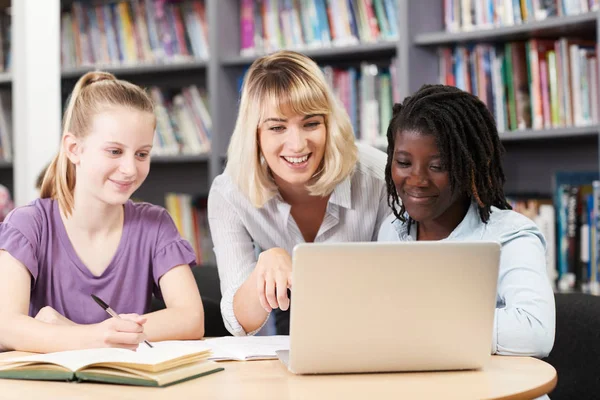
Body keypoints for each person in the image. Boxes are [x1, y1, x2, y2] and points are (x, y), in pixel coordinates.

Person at [0, 71, 204, 353]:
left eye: (142, 154)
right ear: (74, 149)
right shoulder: (28, 225)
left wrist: (76, 334)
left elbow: (191, 318)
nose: (130, 169)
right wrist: (97, 338)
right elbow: (6, 326)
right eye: (114, 151)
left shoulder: (154, 224)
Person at [208, 50, 390, 336]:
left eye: (311, 123)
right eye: (277, 127)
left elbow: (402, 289)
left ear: (329, 123)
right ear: (254, 133)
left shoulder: (378, 177)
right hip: (295, 320)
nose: (297, 144)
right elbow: (238, 323)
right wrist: (265, 267)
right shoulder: (229, 193)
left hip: (374, 325)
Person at [378, 84, 555, 357]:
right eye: (403, 163)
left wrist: (420, 324)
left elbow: (534, 331)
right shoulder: (392, 231)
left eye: (437, 166)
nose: (416, 181)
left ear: (469, 167)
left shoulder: (511, 235)